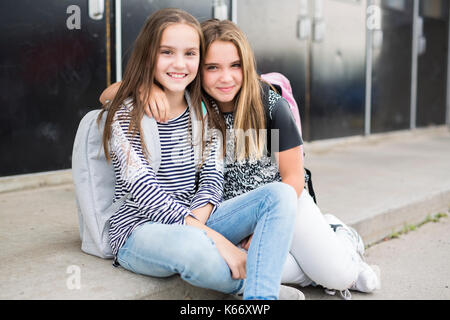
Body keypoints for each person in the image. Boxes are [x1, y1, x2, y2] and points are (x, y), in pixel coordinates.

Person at [100, 17, 380, 299]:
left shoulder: (266, 104)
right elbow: (111, 96)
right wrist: (139, 87)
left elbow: (289, 178)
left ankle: (338, 237)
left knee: (338, 274)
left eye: (235, 66)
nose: (225, 77)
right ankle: (271, 285)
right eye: (212, 67)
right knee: (258, 261)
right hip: (213, 217)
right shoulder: (197, 103)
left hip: (277, 205)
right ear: (200, 70)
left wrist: (245, 229)